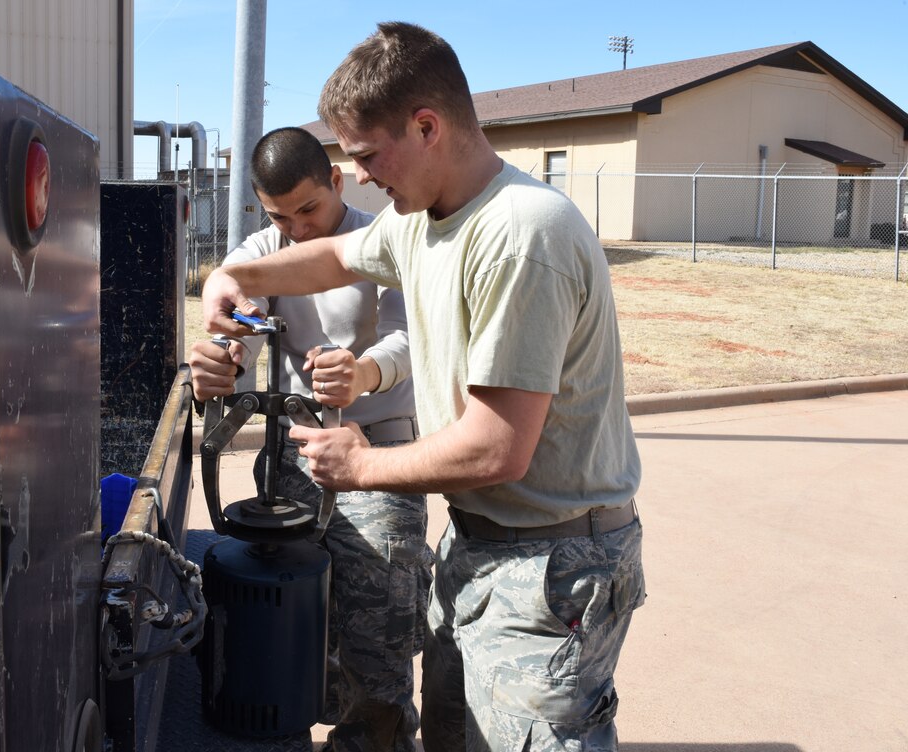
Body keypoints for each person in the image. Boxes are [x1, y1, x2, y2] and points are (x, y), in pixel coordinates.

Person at [200, 23, 646, 752]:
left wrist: (361, 465)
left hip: (553, 566)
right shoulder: (422, 223)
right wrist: (230, 278)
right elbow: (331, 256)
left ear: (427, 125)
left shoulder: (521, 234)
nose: (366, 177)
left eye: (370, 155)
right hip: (480, 544)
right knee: (446, 734)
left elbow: (499, 447)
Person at [189, 126, 432, 752]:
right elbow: (234, 316)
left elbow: (411, 340)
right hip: (295, 455)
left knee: (376, 645)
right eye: (278, 216)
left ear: (337, 182)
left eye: (308, 209)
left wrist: (364, 371)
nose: (296, 229)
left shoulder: (384, 239)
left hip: (377, 451)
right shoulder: (265, 248)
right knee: (292, 634)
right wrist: (218, 358)